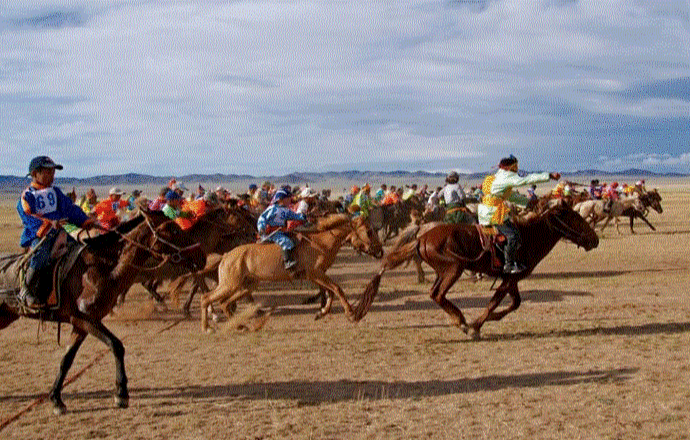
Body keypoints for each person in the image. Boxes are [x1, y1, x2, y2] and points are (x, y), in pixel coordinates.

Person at [16, 156, 97, 308]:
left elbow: (69, 209)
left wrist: (85, 220)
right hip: (38, 235)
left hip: (59, 234)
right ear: (35, 173)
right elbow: (27, 215)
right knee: (41, 255)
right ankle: (25, 290)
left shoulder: (55, 192)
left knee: (79, 252)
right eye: (47, 172)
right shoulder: (27, 195)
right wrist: (49, 224)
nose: (52, 175)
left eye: (53, 172)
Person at [477, 155, 560, 274]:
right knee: (513, 236)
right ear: (512, 167)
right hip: (493, 213)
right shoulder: (507, 177)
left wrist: (527, 203)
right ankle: (509, 265)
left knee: (514, 232)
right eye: (516, 166)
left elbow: (510, 196)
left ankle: (512, 260)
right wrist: (549, 176)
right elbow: (526, 179)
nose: (517, 169)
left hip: (487, 211)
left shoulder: (496, 177)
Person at [256, 189, 306, 272]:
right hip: (273, 233)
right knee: (286, 241)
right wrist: (261, 228)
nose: (290, 200)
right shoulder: (272, 209)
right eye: (288, 198)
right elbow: (262, 218)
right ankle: (288, 262)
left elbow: (295, 216)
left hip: (282, 231)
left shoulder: (286, 210)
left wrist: (303, 217)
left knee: (296, 238)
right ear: (281, 199)